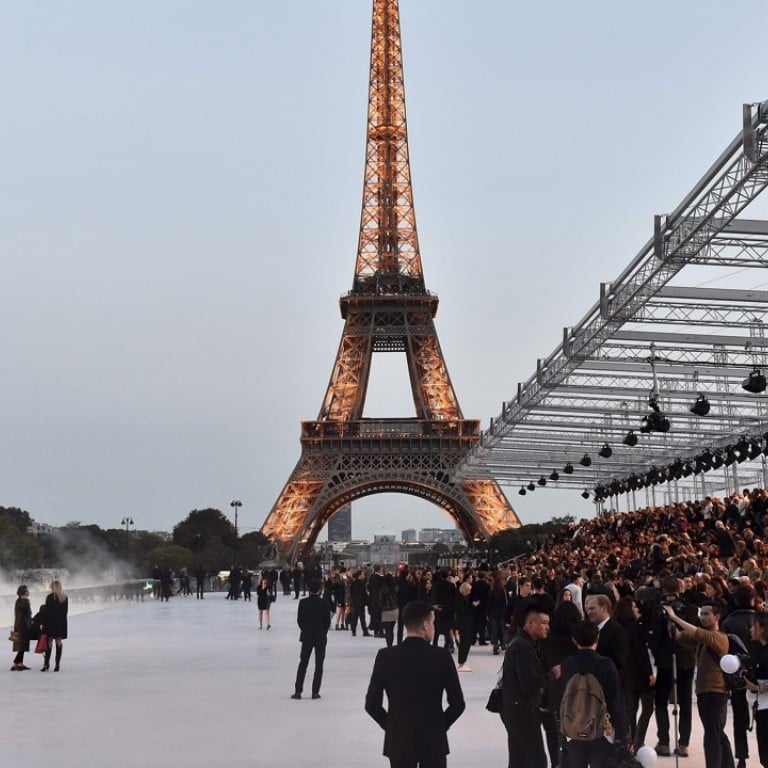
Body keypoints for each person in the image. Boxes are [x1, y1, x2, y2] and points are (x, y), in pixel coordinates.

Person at [365, 600, 465, 768]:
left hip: (399, 740)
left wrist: (392, 726)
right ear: (425, 625)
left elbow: (371, 704)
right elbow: (458, 704)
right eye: (433, 623)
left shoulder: (386, 656)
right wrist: (439, 726)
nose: (434, 627)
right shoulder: (441, 656)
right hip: (433, 740)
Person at [665, 601, 735, 768]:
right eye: (701, 614)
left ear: (717, 616)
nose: (702, 617)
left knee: (712, 736)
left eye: (706, 614)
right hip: (705, 692)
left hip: (715, 693)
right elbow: (680, 636)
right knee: (717, 734)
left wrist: (675, 617)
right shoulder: (704, 638)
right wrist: (670, 621)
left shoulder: (718, 637)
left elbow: (697, 633)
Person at [552, 620, 628, 768]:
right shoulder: (606, 664)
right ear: (597, 638)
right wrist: (621, 734)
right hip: (601, 731)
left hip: (572, 730)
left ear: (574, 640)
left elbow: (558, 698)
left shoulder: (567, 665)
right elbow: (615, 701)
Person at [501, 605, 550, 768]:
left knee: (519, 757)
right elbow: (529, 683)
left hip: (514, 708)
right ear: (530, 624)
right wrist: (552, 676)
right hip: (522, 711)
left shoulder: (521, 642)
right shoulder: (523, 646)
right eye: (543, 623)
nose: (547, 627)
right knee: (536, 759)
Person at [291, 579, 331, 700]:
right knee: (319, 665)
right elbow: (327, 622)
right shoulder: (324, 603)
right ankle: (315, 691)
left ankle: (298, 691)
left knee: (303, 664)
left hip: (307, 636)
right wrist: (323, 632)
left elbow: (300, 620)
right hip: (320, 636)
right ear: (320, 590)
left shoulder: (303, 603)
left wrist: (305, 630)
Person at [746, 612, 768, 767]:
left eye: (753, 626)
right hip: (761, 708)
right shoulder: (759, 649)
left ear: (762, 628)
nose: (750, 629)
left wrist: (757, 688)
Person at [41, 580, 68, 672]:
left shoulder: (49, 597)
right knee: (59, 642)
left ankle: (46, 664)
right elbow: (65, 612)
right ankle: (57, 665)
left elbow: (47, 612)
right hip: (61, 623)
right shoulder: (64, 597)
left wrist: (43, 623)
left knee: (49, 642)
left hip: (51, 623)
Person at [11, 584, 32, 671]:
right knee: (23, 645)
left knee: (21, 645)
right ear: (24, 592)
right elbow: (27, 614)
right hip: (24, 626)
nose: (28, 592)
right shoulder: (25, 601)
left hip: (18, 625)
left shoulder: (18, 601)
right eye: (27, 591)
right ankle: (17, 662)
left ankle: (19, 663)